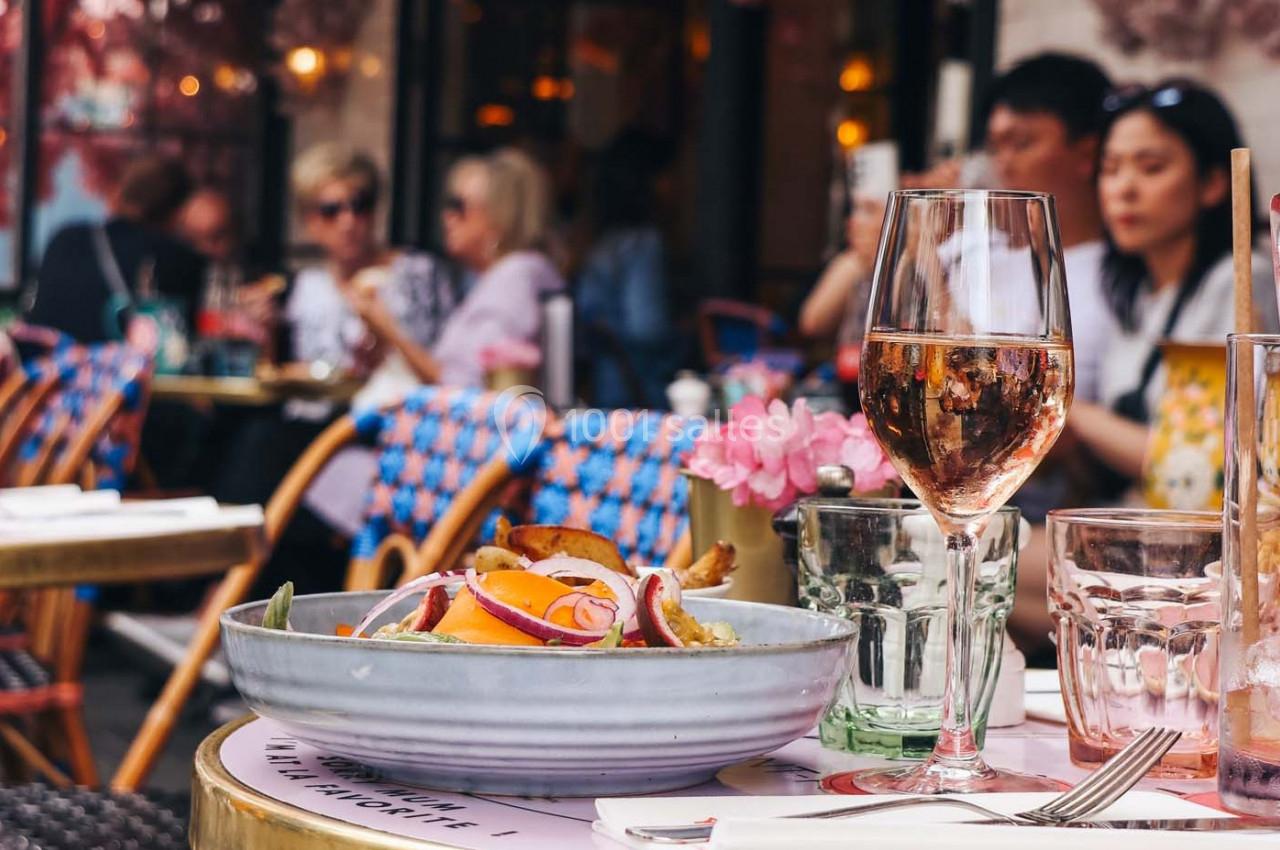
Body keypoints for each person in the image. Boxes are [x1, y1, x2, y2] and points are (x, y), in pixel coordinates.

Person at [1009, 80, 1279, 654]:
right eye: (1111, 170)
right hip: (1133, 529)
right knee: (973, 557)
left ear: (1212, 183)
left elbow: (1197, 469)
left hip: (1197, 549)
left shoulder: (1238, 283)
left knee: (968, 560)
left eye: (1151, 168)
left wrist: (1073, 412)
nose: (1124, 188)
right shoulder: (1140, 294)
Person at [26, 155, 205, 342]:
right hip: (125, 360)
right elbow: (184, 338)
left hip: (52, 358)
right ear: (178, 210)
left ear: (121, 192)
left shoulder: (65, 239)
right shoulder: (180, 260)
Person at [429, 148, 566, 386]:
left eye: (459, 206)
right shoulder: (505, 276)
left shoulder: (517, 277)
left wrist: (387, 327)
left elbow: (470, 382)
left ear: (497, 215)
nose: (447, 217)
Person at [576, 129, 682, 408]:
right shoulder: (643, 244)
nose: (675, 185)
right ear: (646, 182)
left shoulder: (601, 243)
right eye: (667, 175)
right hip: (639, 397)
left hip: (603, 390)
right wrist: (687, 335)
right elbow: (647, 328)